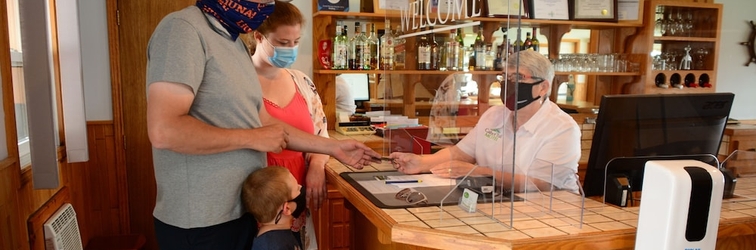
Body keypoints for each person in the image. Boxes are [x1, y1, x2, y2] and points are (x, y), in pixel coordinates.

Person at [145, 1, 379, 249]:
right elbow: (164, 131)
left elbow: (267, 124)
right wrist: (251, 138)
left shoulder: (234, 43)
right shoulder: (183, 29)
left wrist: (332, 148)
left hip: (242, 213)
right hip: (201, 222)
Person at [390, 50, 581, 192]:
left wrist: (478, 172)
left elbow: (540, 184)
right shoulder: (494, 115)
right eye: (505, 77)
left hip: (550, 211)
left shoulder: (563, 128)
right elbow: (461, 153)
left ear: (543, 87)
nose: (508, 84)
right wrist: (422, 162)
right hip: (497, 202)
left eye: (518, 78)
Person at [239, 2, 326, 247]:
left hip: (294, 195)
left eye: (296, 42)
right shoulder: (240, 83)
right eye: (283, 43)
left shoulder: (303, 82)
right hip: (256, 201)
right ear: (259, 36)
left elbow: (320, 131)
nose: (291, 49)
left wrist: (317, 165)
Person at [242, 166, 303, 250]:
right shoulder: (273, 245)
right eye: (297, 189)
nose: (300, 187)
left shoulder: (274, 236)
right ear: (287, 208)